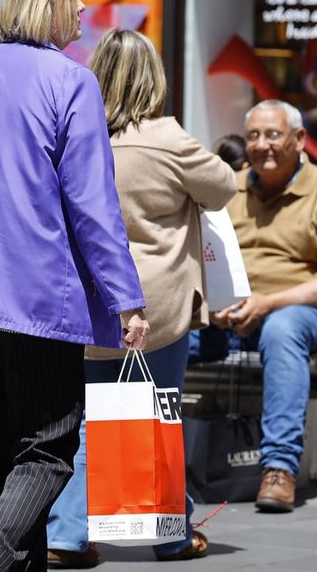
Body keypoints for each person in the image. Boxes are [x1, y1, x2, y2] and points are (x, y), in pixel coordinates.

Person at [0, 0, 150, 572]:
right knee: (51, 445)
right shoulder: (71, 80)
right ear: (44, 6)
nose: (82, 9)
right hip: (42, 294)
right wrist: (125, 298)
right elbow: (92, 203)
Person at [45, 29, 236, 567]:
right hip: (154, 307)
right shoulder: (167, 139)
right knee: (156, 416)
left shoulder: (71, 134)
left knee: (83, 422)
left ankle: (67, 535)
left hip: (83, 303)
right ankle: (169, 535)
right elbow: (223, 187)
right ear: (154, 79)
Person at [189, 99, 317, 514]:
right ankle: (135, 459)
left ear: (300, 140)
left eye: (274, 134)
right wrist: (210, 304)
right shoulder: (227, 187)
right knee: (164, 332)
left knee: (281, 330)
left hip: (300, 312)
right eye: (253, 135)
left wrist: (268, 304)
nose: (262, 145)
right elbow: (196, 254)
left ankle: (279, 469)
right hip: (227, 316)